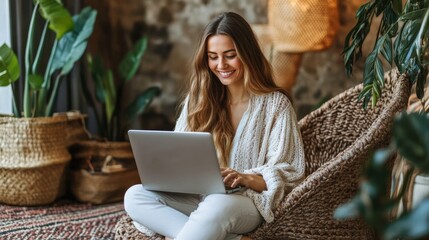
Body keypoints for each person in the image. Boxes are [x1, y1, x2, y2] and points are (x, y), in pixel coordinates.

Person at [124, 12, 305, 240]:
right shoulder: (198, 100)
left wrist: (246, 178)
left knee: (217, 204)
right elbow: (179, 153)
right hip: (199, 197)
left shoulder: (275, 105)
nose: (221, 65)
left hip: (246, 203)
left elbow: (291, 174)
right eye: (213, 57)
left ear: (247, 54)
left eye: (230, 55)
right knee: (136, 195)